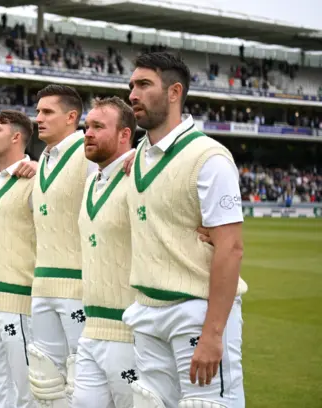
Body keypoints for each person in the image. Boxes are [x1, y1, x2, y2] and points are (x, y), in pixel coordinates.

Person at [123, 51, 247, 408]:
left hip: (193, 312)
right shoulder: (140, 155)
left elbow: (231, 248)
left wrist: (213, 333)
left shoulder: (210, 158)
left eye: (144, 85)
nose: (133, 94)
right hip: (146, 309)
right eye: (132, 85)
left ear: (174, 92)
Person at [28, 84, 98, 406]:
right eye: (38, 111)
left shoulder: (88, 154)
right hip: (41, 283)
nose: (38, 118)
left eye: (47, 112)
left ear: (72, 117)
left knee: (81, 376)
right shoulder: (42, 158)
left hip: (77, 286)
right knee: (46, 376)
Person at [73, 97, 138, 408]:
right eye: (87, 126)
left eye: (98, 127)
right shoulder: (90, 183)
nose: (88, 133)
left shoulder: (140, 177)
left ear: (125, 135)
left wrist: (145, 156)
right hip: (91, 326)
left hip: (129, 331)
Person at [0, 110, 36, 408]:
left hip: (18, 297)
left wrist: (38, 167)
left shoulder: (34, 177)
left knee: (25, 381)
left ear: (16, 137)